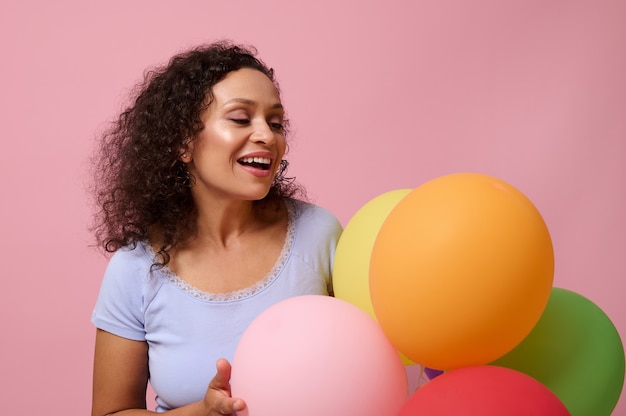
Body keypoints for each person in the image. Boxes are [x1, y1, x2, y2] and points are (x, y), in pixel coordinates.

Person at [90, 41, 343, 415]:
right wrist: (203, 412)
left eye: (276, 123)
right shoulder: (135, 269)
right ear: (182, 142)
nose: (267, 136)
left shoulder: (319, 233)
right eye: (241, 119)